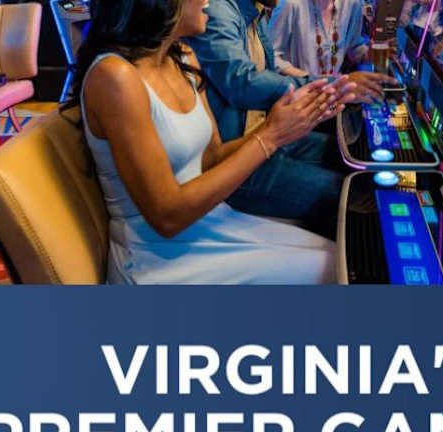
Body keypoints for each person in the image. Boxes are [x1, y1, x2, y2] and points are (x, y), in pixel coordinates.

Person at [67, 0, 354, 284]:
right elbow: (167, 218)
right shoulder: (114, 76)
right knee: (334, 269)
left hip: (209, 220)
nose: (208, 1)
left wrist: (280, 127)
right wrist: (270, 137)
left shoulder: (182, 57)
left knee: (341, 256)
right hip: (154, 257)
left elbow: (211, 158)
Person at [185, 0, 368, 239]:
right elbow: (242, 83)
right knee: (347, 193)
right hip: (235, 159)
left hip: (259, 132)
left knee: (351, 158)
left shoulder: (255, 10)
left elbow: (268, 73)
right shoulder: (219, 10)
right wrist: (333, 85)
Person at [267, 0, 397, 104]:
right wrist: (310, 79)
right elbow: (270, 56)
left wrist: (369, 55)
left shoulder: (352, 4)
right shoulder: (290, 4)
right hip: (301, 99)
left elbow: (354, 47)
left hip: (332, 97)